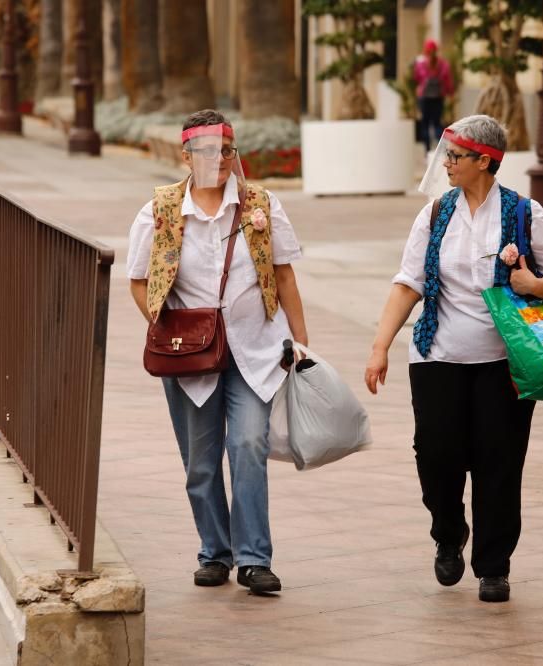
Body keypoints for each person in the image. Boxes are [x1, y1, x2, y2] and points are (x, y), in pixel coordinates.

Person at [363, 115, 543, 602]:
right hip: (436, 354)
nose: (447, 164)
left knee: (499, 462)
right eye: (447, 155)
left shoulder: (524, 214)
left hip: (505, 362)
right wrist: (380, 347)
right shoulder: (436, 212)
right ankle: (448, 529)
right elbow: (408, 282)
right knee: (435, 455)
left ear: (486, 161)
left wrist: (532, 285)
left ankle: (494, 566)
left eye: (456, 157)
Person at [127, 109, 308, 595]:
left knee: (248, 444)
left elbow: (285, 274)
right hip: (189, 357)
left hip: (255, 348)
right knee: (200, 463)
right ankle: (214, 551)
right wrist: (167, 332)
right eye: (208, 151)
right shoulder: (160, 210)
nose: (220, 159)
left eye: (227, 150)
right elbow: (139, 281)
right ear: (186, 156)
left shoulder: (260, 205)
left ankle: (253, 559)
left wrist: (301, 340)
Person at [412, 39, 454, 155]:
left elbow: (415, 78)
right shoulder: (443, 64)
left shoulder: (421, 64)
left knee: (425, 124)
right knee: (437, 124)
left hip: (424, 99)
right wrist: (450, 93)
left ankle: (427, 151)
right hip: (438, 98)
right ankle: (441, 150)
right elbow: (448, 83)